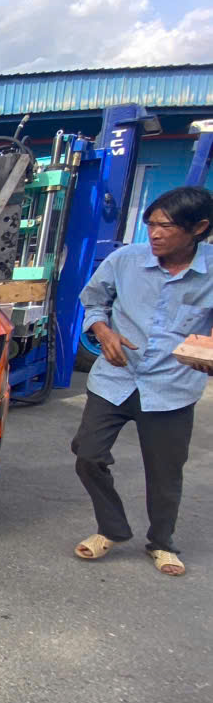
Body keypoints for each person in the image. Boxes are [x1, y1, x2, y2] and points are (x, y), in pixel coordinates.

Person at [72, 185, 213, 577]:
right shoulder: (125, 260)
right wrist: (103, 331)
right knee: (88, 455)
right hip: (115, 380)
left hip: (172, 389)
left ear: (199, 228)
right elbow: (94, 301)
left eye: (166, 226)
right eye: (151, 224)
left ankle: (162, 543)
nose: (155, 234)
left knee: (165, 475)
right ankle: (112, 529)